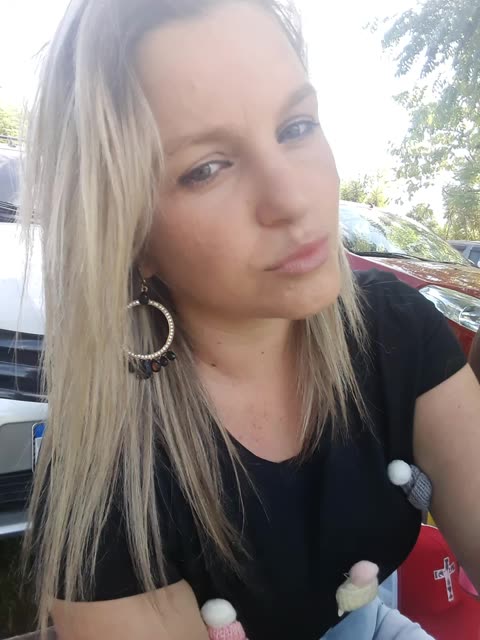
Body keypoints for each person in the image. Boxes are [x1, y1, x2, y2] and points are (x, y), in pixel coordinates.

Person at [19, 1, 480, 639]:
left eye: (296, 126)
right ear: (130, 234)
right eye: (206, 169)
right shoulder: (109, 477)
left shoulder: (393, 330)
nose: (292, 197)